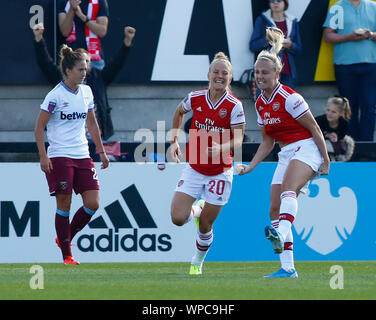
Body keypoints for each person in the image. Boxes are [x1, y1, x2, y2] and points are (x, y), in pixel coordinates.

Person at [237, 27, 330, 278]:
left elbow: (315, 128)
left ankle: (280, 231)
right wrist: (250, 166)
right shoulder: (260, 102)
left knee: (289, 190)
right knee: (274, 208)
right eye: (257, 72)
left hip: (308, 148)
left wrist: (326, 160)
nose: (259, 76)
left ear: (277, 73)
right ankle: (288, 268)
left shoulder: (290, 97)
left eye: (265, 72)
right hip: (286, 152)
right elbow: (267, 142)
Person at [170, 52, 246, 275]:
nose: (219, 76)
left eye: (224, 73)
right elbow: (179, 111)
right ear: (209, 74)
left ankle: (197, 261)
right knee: (177, 218)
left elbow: (239, 138)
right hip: (194, 168)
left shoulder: (234, 105)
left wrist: (221, 148)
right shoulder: (195, 97)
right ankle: (197, 208)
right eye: (216, 72)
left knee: (205, 226)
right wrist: (174, 141)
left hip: (220, 172)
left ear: (230, 78)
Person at [34, 45, 110, 265]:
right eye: (80, 69)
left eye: (85, 68)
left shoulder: (86, 92)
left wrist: (101, 150)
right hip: (59, 156)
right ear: (68, 71)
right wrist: (43, 155)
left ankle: (65, 237)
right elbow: (39, 127)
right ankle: (67, 254)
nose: (85, 73)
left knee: (93, 203)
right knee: (64, 204)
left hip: (82, 154)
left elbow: (92, 124)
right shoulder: (55, 96)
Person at [32, 23, 136, 141]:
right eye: (81, 61)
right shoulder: (62, 77)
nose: (85, 64)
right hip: (68, 140)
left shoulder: (98, 77)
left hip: (96, 139)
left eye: (87, 61)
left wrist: (127, 42)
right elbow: (45, 63)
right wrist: (38, 38)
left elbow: (117, 64)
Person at [323, 0, 376, 141]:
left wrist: (370, 35)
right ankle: (351, 148)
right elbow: (328, 35)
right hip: (344, 65)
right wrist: (349, 37)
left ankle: (367, 148)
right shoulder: (338, 7)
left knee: (369, 107)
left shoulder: (373, 6)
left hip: (371, 64)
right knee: (348, 108)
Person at [249, 0, 302, 90]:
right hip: (267, 70)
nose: (275, 3)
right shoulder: (262, 20)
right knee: (265, 101)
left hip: (287, 70)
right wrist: (267, 39)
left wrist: (290, 45)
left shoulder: (292, 21)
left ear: (285, 3)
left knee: (287, 101)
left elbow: (299, 48)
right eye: (272, 1)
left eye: (279, 0)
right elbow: (253, 46)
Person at [58, 0, 109, 70]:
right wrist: (72, 10)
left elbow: (102, 31)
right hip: (71, 59)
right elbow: (65, 32)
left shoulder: (99, 1)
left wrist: (81, 16)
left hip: (93, 60)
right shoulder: (64, 2)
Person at [315, 96, 355, 162]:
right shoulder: (319, 120)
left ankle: (338, 159)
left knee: (348, 143)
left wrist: (336, 137)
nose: (329, 114)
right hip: (320, 141)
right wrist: (327, 135)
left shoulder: (344, 123)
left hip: (334, 143)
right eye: (328, 110)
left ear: (341, 113)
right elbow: (314, 132)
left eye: (333, 112)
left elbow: (342, 135)